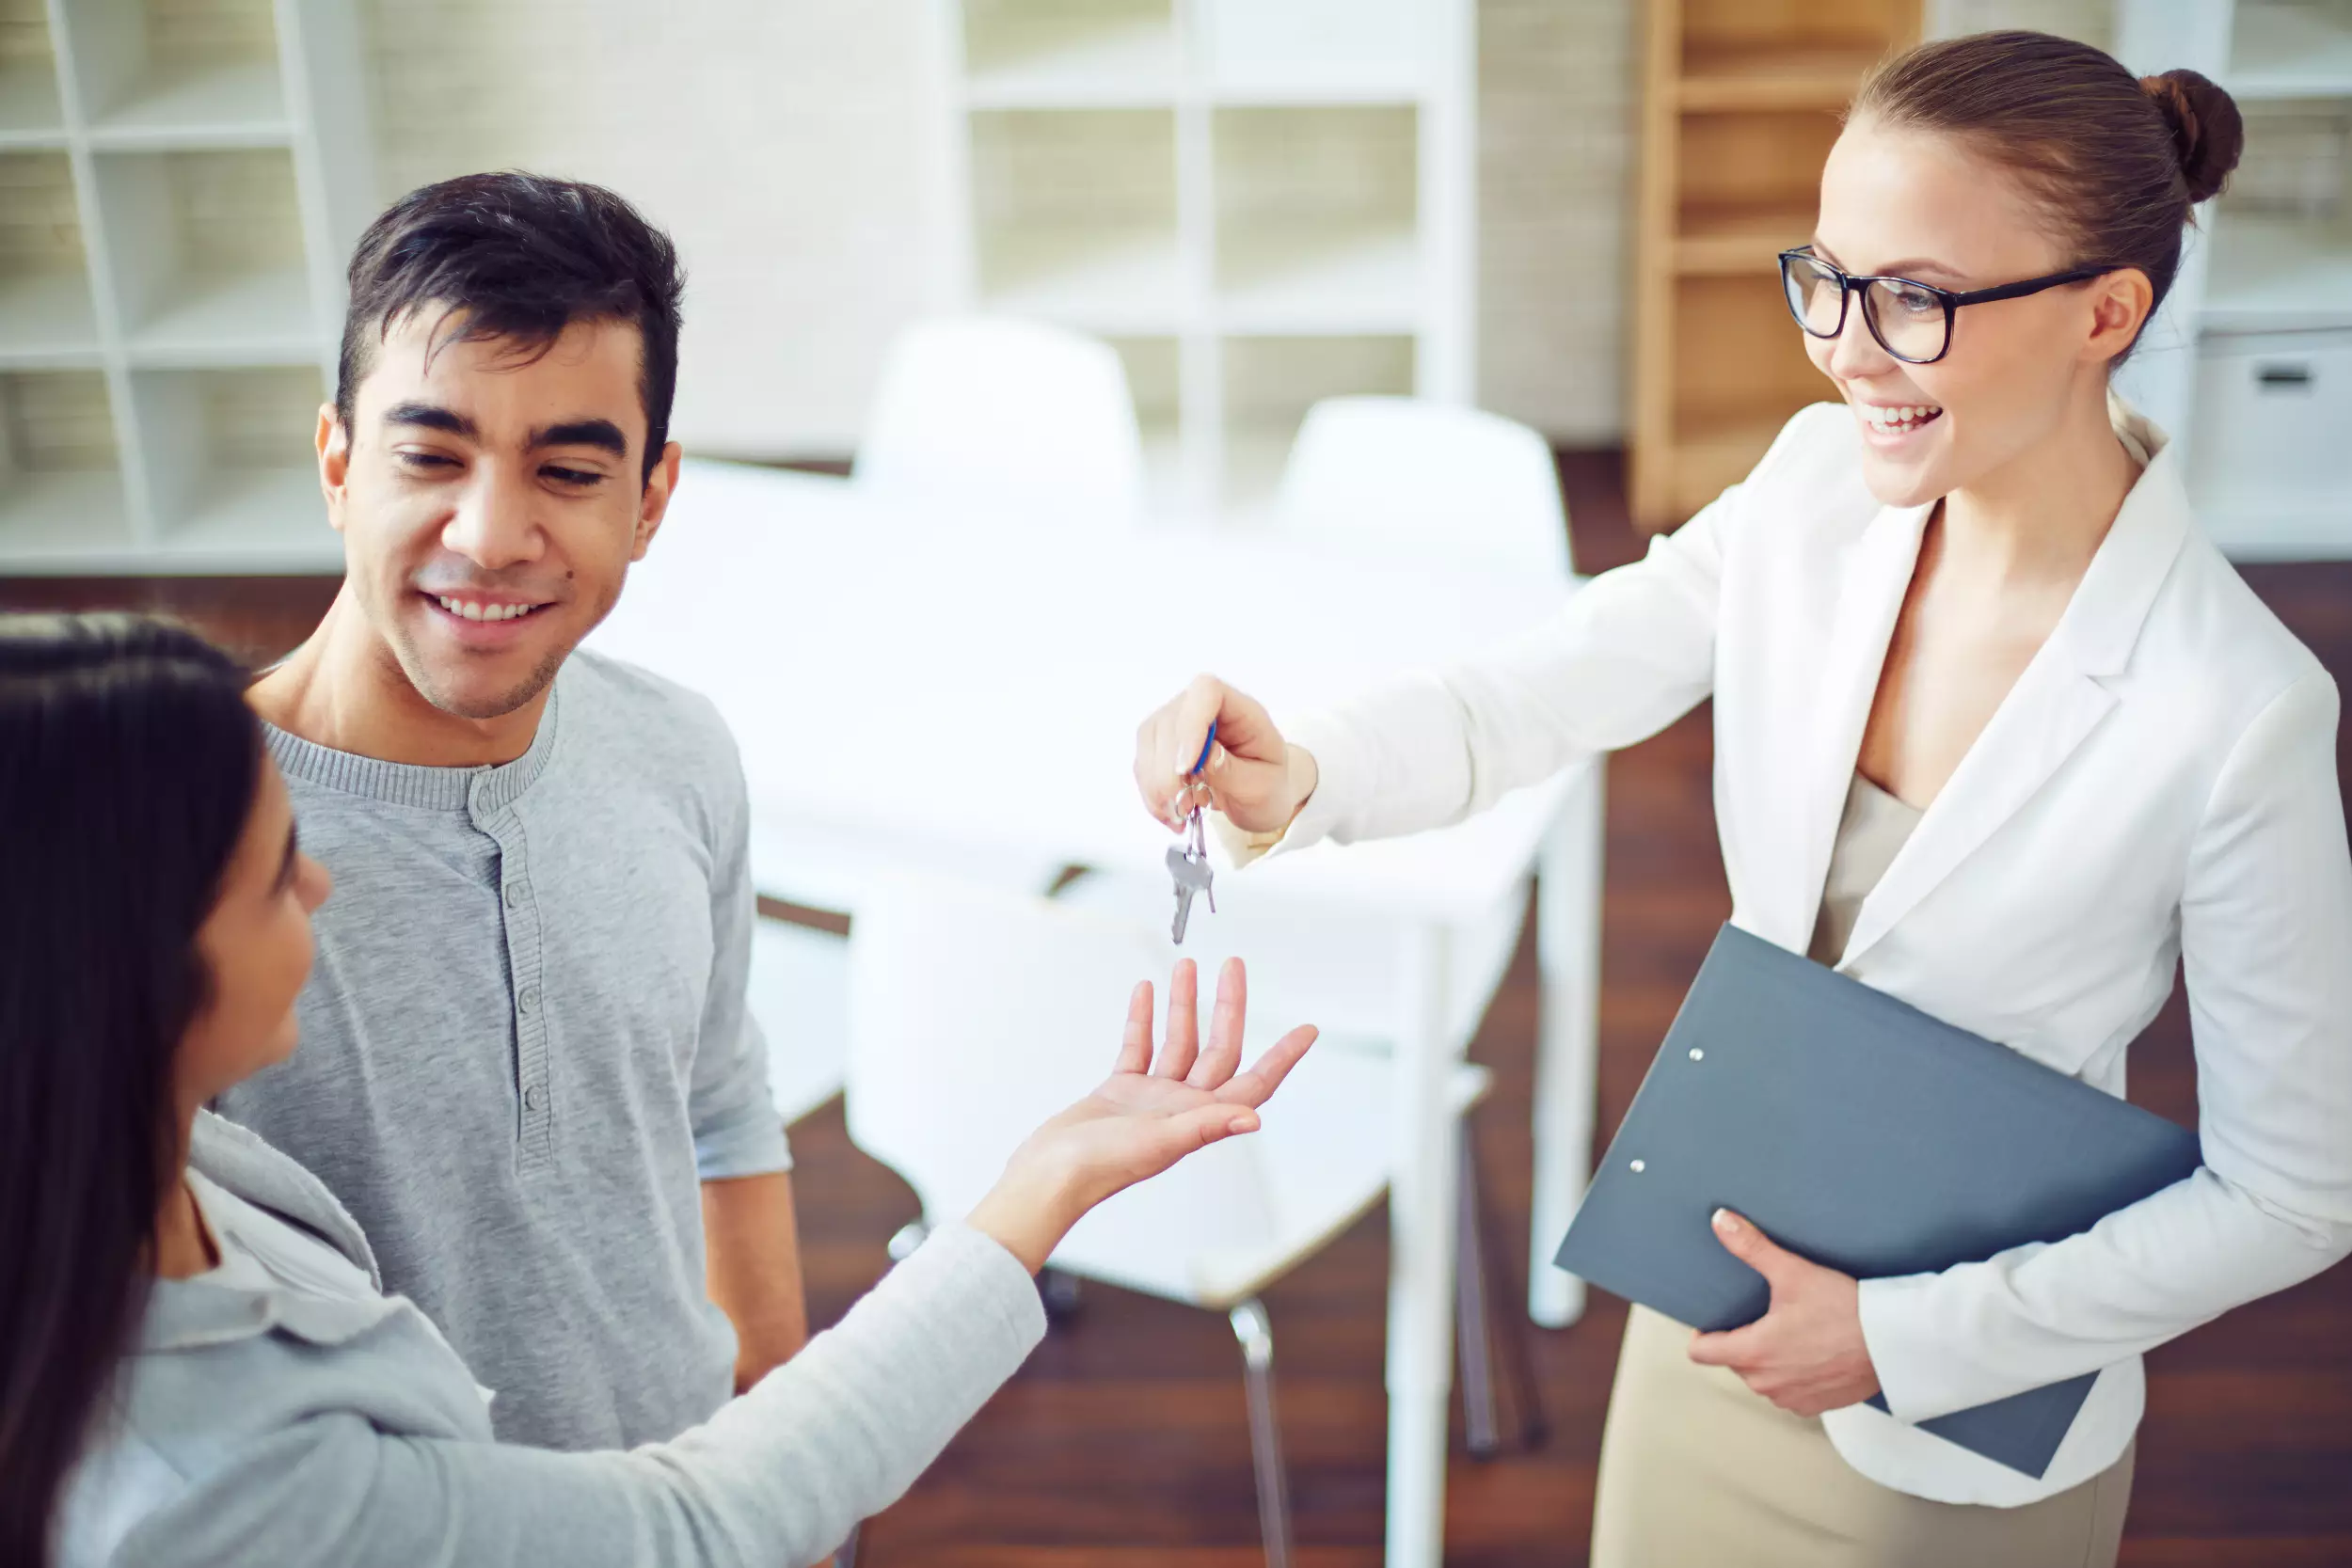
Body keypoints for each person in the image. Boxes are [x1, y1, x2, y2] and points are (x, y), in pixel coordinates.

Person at [1133, 31, 2352, 1568]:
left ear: (2107, 311)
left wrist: (1898, 1336)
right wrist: (1300, 770)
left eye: (1913, 298)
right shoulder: (1812, 488)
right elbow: (1528, 695)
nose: (1845, 347)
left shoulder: (2236, 706)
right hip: (1705, 1309)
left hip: (1954, 1439)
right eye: (1827, 280)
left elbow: (2296, 1191)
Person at [0, 611, 1318, 1568]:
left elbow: (720, 1096)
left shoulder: (162, 1165)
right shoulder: (221, 1490)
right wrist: (1037, 1193)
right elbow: (698, 1523)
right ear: (132, 957)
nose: (323, 886)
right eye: (278, 870)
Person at [215, 171, 803, 1453]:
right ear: (336, 463)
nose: (489, 536)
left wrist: (780, 1437)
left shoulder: (680, 752)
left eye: (569, 469)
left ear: (650, 500)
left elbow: (720, 1104)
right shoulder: (183, 847)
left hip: (695, 1495)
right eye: (430, 454)